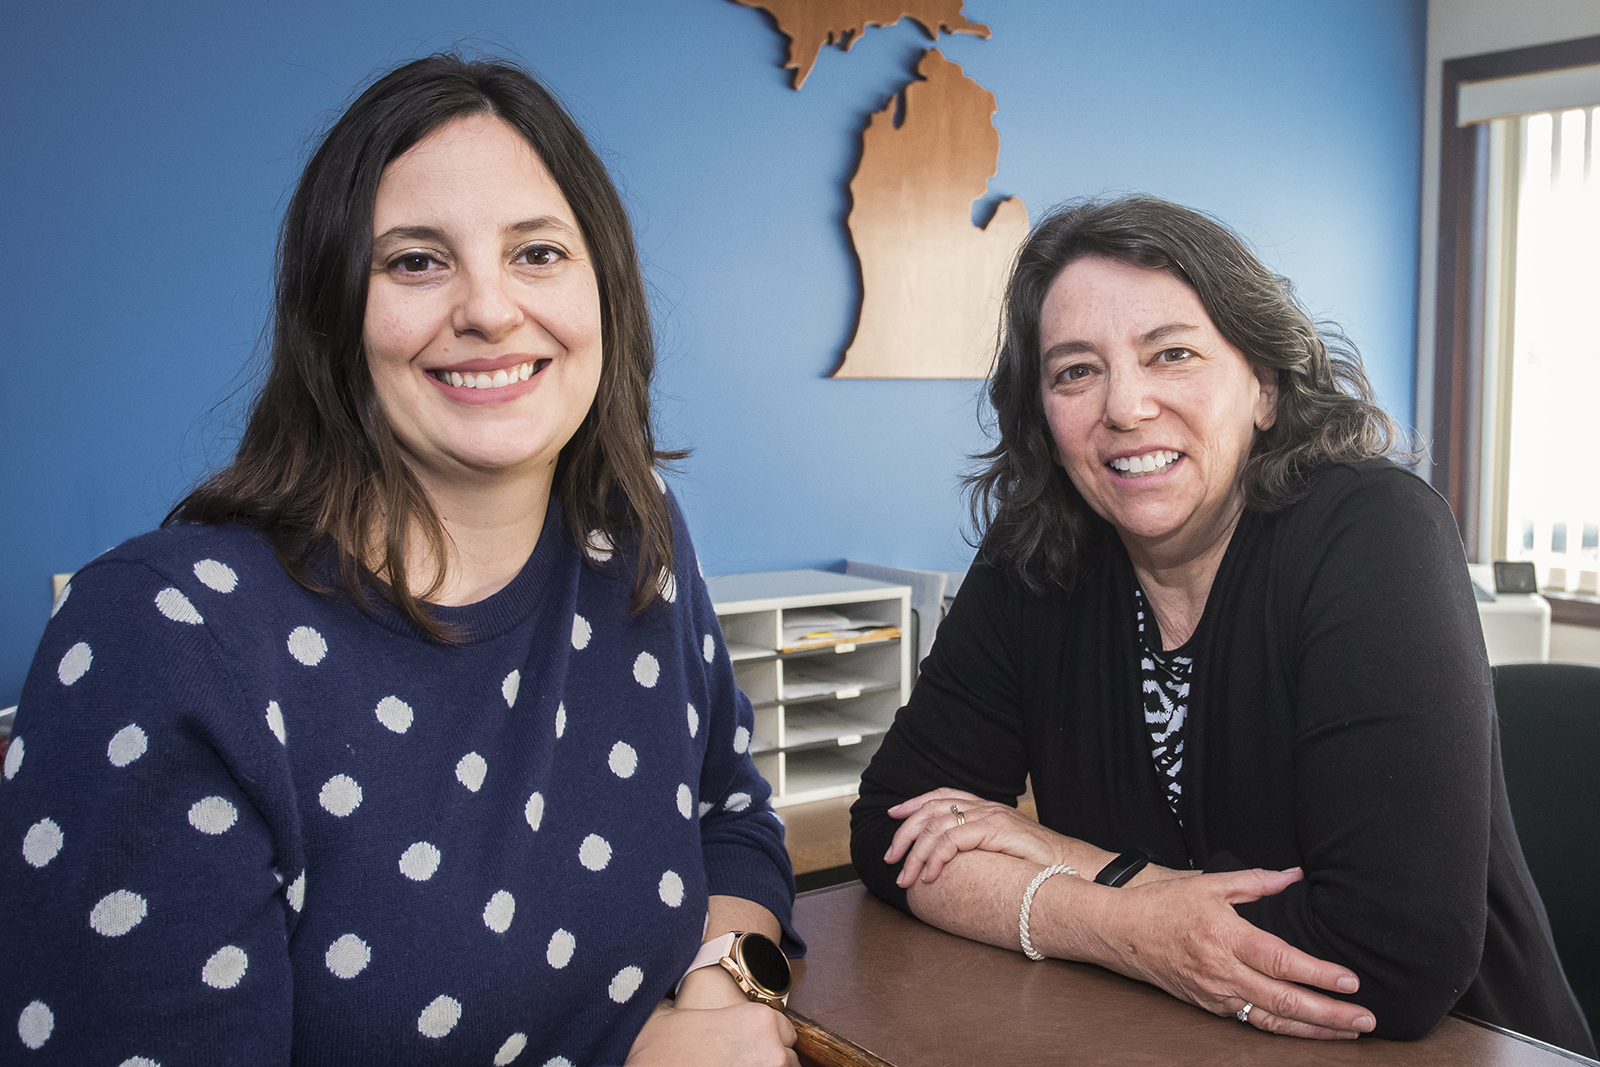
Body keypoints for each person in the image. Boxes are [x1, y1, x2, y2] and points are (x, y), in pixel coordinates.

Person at [0, 54, 801, 1067]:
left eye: (539, 252)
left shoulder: (633, 536)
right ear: (333, 316)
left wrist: (723, 985)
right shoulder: (160, 642)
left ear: (606, 289)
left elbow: (727, 812)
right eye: (416, 260)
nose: (489, 309)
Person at [850, 196, 1595, 1055]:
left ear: (1266, 386)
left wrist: (1063, 859)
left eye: (1172, 354)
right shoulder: (1036, 560)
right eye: (1075, 371)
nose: (1124, 407)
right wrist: (1121, 922)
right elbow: (893, 828)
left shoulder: (1375, 533)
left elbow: (1385, 958)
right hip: (1168, 1036)